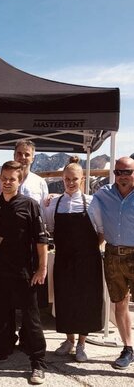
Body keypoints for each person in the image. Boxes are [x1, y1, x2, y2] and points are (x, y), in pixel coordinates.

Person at [0, 160, 48, 385]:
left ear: (19, 181)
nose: (7, 182)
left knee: (31, 317)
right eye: (4, 178)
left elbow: (41, 239)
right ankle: (1, 351)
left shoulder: (29, 205)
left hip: (24, 271)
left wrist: (42, 268)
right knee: (0, 313)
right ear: (0, 179)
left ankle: (38, 363)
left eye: (12, 179)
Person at [44, 156, 103, 362]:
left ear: (82, 179)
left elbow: (100, 232)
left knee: (85, 300)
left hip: (87, 260)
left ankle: (81, 344)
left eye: (74, 179)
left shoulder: (92, 202)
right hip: (64, 259)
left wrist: (87, 250)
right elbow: (51, 229)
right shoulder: (54, 204)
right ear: (62, 178)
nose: (70, 183)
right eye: (67, 179)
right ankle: (69, 340)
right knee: (65, 299)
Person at [0, 139, 49, 350]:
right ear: (14, 154)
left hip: (29, 253)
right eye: (19, 154)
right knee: (4, 306)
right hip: (6, 256)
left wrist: (41, 265)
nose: (23, 157)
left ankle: (32, 347)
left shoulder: (39, 183)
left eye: (27, 154)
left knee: (30, 308)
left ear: (33, 157)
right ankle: (5, 344)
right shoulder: (1, 184)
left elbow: (42, 219)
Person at [89, 156, 134, 370]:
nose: (123, 176)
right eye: (119, 172)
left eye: (128, 172)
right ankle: (128, 348)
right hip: (113, 254)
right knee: (119, 303)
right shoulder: (103, 193)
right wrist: (52, 198)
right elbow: (83, 199)